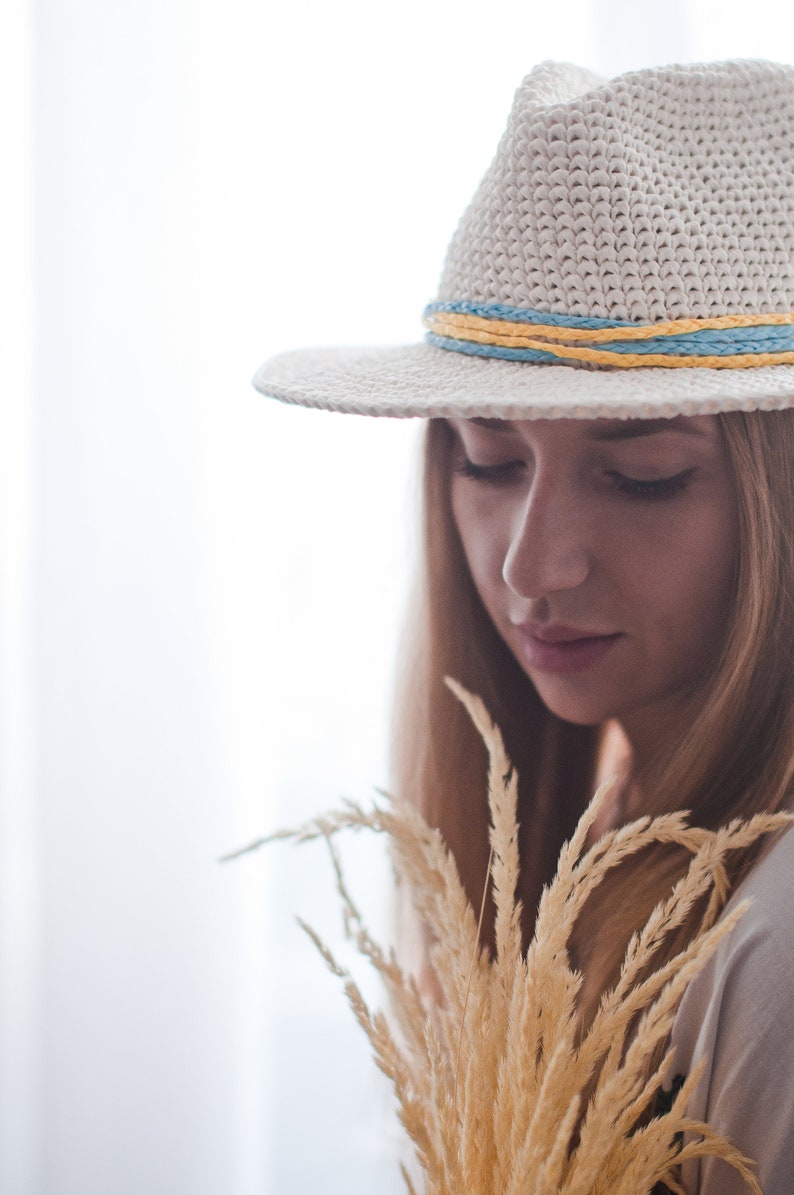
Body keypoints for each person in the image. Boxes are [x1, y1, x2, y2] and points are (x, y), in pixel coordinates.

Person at [254, 59, 794, 1194]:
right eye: (488, 457)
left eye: (642, 475)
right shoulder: (609, 836)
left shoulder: (771, 941)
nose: (526, 563)